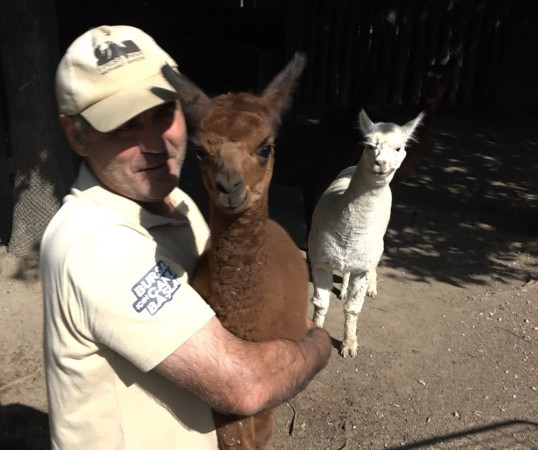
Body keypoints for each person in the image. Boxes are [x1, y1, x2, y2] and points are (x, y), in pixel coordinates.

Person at [41, 24, 332, 449]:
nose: (154, 143)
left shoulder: (177, 204)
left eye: (163, 115)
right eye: (123, 126)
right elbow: (244, 385)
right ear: (77, 135)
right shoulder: (94, 243)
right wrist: (318, 344)